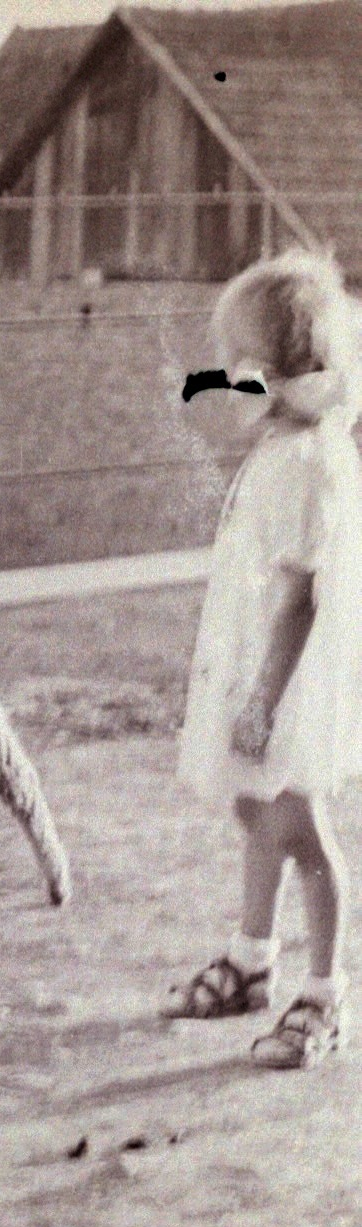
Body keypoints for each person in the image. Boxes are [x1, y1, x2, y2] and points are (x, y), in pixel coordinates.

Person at [163, 248, 362, 1069]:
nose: (220, 378)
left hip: (285, 681)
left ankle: (323, 992)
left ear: (268, 375)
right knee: (255, 809)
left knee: (301, 827)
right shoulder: (280, 449)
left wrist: (261, 700)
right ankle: (251, 957)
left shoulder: (310, 462)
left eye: (233, 362)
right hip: (251, 668)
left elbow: (296, 599)